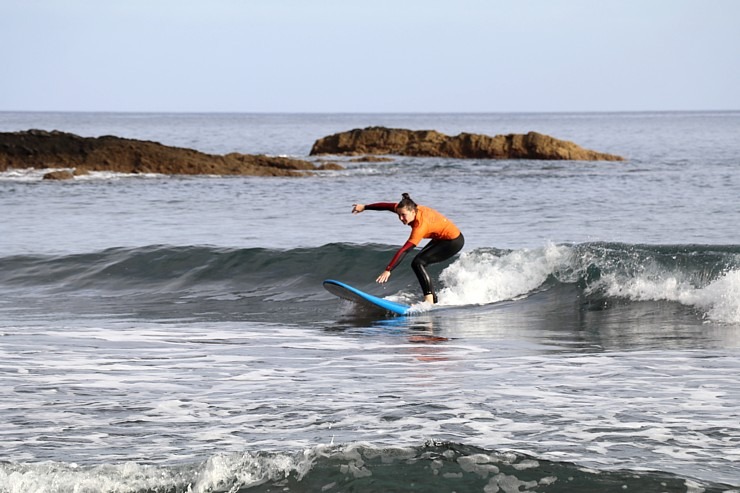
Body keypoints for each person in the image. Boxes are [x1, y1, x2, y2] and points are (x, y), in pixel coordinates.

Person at [352, 193, 464, 304]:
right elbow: (386, 206)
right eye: (399, 215)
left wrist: (388, 269)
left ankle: (429, 300)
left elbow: (404, 250)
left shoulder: (420, 227)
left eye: (403, 215)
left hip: (453, 242)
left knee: (418, 263)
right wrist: (365, 207)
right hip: (441, 238)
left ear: (413, 212)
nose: (401, 218)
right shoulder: (407, 208)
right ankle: (432, 298)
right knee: (418, 263)